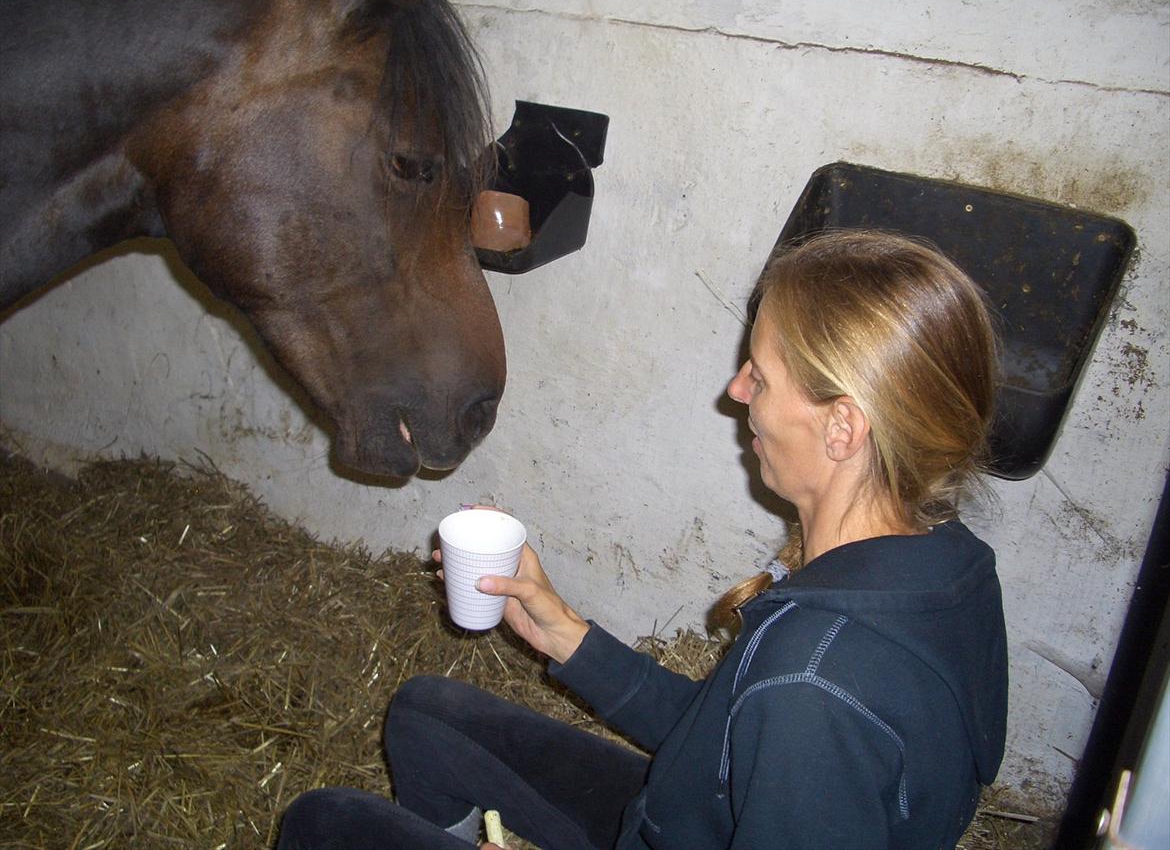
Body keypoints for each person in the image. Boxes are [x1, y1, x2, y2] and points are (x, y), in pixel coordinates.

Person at [276, 229, 1009, 850]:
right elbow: (724, 743)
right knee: (423, 714)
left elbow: (786, 719)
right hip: (681, 820)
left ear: (842, 427)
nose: (736, 392)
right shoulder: (942, 569)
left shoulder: (813, 686)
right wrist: (563, 634)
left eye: (762, 375)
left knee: (321, 823)